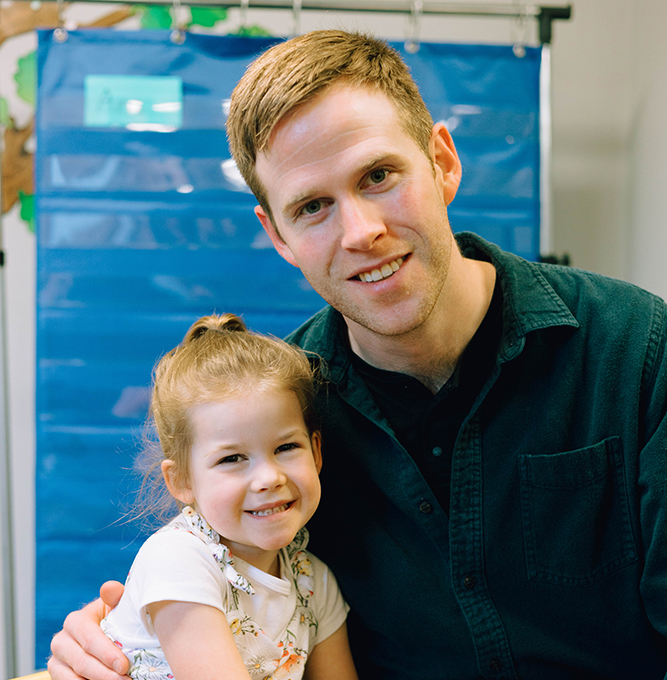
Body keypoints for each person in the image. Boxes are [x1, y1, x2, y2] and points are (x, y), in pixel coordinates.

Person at [50, 30, 667, 680]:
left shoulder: (635, 351)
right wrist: (109, 643)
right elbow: (205, 573)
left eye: (378, 176)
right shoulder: (273, 410)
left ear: (442, 161)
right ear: (278, 236)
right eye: (312, 207)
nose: (360, 232)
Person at [92, 312, 358, 680]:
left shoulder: (315, 583)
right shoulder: (179, 559)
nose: (268, 478)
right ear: (182, 480)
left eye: (286, 447)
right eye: (232, 458)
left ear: (316, 452)